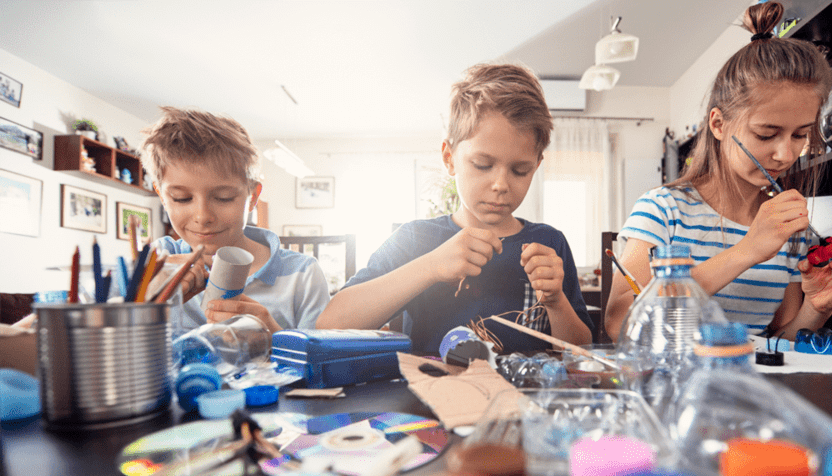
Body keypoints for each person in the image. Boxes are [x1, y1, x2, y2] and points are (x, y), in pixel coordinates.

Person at [605, 1, 832, 342]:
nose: (786, 153)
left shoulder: (787, 229)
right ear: (719, 124)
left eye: (800, 134)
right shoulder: (663, 210)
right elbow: (618, 326)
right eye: (766, 134)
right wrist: (746, 251)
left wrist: (817, 307)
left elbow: (778, 341)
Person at [316, 63, 594, 355]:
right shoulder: (414, 239)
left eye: (520, 170)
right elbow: (329, 325)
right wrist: (430, 266)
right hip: (433, 398)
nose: (500, 184)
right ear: (449, 158)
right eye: (483, 165)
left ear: (536, 167)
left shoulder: (549, 242)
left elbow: (580, 352)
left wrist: (556, 302)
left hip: (523, 399)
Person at [142, 107, 330, 333]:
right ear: (162, 197)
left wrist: (274, 339)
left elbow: (321, 364)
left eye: (224, 198)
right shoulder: (155, 261)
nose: (203, 217)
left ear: (252, 197)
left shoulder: (302, 275)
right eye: (182, 199)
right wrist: (144, 303)